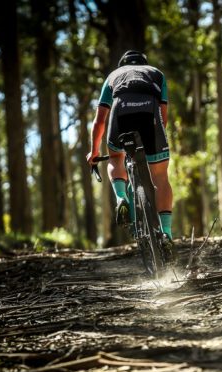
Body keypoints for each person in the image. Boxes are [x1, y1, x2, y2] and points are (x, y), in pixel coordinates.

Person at [87, 50, 174, 243]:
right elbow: (163, 113)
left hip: (121, 112)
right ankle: (167, 233)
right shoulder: (156, 73)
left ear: (122, 64)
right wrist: (156, 141)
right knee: (160, 176)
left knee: (116, 157)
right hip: (150, 114)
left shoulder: (113, 76)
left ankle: (121, 197)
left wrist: (94, 151)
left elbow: (99, 120)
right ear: (144, 62)